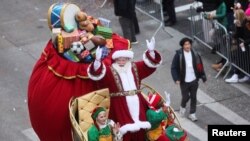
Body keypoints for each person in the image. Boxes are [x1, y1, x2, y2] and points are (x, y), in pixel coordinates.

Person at [87, 35, 162, 141]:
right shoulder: (110, 71)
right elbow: (97, 74)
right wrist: (98, 61)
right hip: (119, 104)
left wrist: (151, 52)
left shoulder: (135, 67)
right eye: (119, 59)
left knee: (141, 128)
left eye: (124, 59)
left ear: (128, 58)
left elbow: (149, 66)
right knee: (123, 130)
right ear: (115, 59)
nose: (122, 61)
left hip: (138, 101)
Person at [171, 37, 207, 122]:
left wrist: (203, 77)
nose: (187, 46)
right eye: (185, 44)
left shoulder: (195, 53)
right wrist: (176, 78)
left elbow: (200, 66)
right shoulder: (179, 55)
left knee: (194, 97)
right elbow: (173, 68)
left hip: (194, 80)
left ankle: (192, 114)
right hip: (184, 81)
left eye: (189, 44)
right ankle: (182, 107)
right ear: (183, 46)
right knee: (186, 96)